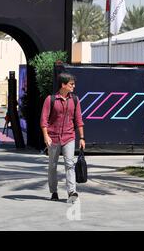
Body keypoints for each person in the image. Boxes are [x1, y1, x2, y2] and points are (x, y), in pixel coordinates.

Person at [40, 72, 85, 203]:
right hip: (53, 137)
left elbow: (79, 120)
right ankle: (54, 191)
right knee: (52, 166)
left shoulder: (75, 100)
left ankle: (72, 192)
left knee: (69, 164)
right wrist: (45, 136)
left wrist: (82, 137)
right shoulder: (51, 99)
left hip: (69, 136)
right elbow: (43, 121)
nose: (74, 86)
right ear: (63, 85)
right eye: (71, 84)